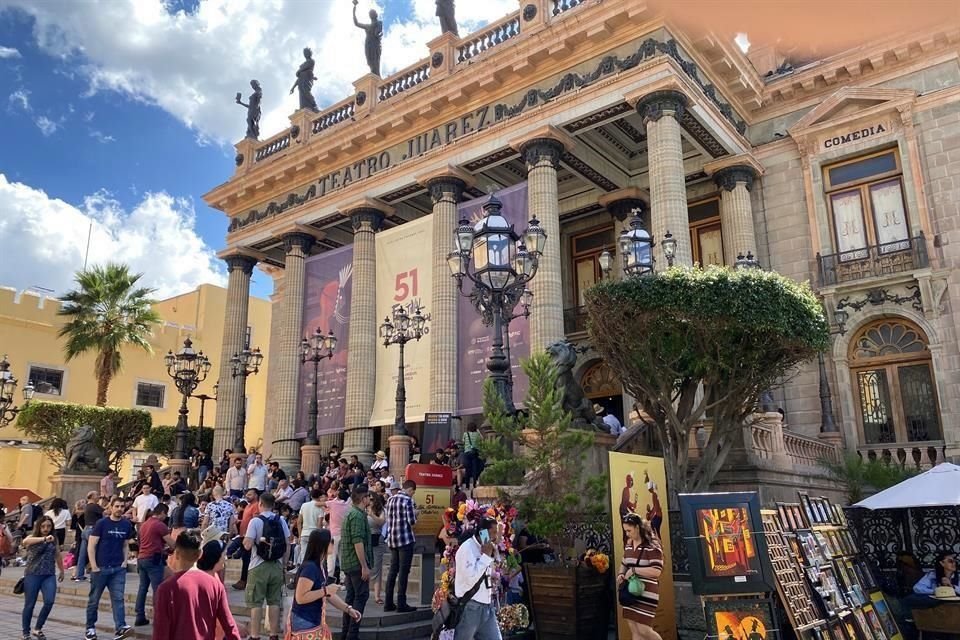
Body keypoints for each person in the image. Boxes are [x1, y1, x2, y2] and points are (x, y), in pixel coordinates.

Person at [153, 530, 242, 640]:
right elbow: (229, 625)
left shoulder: (166, 589)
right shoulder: (215, 585)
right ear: (200, 554)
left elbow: (161, 630)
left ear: (176, 554)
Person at [290, 529, 362, 638]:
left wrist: (348, 609)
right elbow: (300, 597)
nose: (333, 544)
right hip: (305, 621)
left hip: (313, 620)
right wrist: (326, 590)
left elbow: (328, 595)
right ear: (322, 544)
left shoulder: (320, 566)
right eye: (331, 541)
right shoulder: (310, 568)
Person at [86, 497, 136, 640]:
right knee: (94, 600)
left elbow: (125, 545)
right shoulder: (101, 523)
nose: (120, 509)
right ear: (111, 508)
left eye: (122, 506)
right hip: (101, 567)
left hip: (118, 568)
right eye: (117, 506)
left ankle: (120, 627)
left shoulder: (126, 525)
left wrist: (124, 562)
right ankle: (90, 628)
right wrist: (94, 565)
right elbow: (92, 545)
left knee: (118, 599)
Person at [243, 492, 290, 640]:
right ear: (273, 504)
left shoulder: (255, 521)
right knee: (274, 601)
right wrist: (284, 564)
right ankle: (273, 635)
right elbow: (287, 544)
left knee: (256, 603)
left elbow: (247, 545)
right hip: (276, 565)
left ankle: (255, 635)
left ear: (260, 504)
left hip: (258, 565)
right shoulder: (281, 520)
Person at [617, 513, 664, 640]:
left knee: (645, 630)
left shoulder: (652, 545)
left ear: (637, 527)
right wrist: (621, 574)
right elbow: (624, 562)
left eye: (629, 530)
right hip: (630, 592)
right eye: (625, 530)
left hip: (646, 592)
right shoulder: (629, 543)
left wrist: (634, 570)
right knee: (635, 630)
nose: (627, 533)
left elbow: (656, 571)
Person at [453, 515, 501, 640]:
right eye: (493, 532)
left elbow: (486, 570)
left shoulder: (486, 547)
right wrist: (485, 556)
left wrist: (493, 576)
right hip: (471, 605)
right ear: (483, 532)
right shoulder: (467, 549)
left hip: (486, 605)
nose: (495, 537)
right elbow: (470, 578)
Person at [20, 516, 64, 640]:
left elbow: (58, 555)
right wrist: (44, 539)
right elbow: (25, 542)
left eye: (48, 526)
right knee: (30, 604)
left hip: (48, 574)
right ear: (39, 526)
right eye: (43, 526)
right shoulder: (32, 537)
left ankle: (38, 628)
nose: (46, 528)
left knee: (49, 601)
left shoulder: (54, 539)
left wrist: (62, 570)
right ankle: (25, 632)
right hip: (32, 574)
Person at [340, 484, 373, 640]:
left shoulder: (351, 513)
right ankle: (352, 634)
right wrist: (364, 566)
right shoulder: (358, 515)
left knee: (351, 599)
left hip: (349, 562)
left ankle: (346, 633)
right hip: (355, 564)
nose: (370, 499)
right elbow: (358, 541)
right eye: (368, 496)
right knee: (360, 597)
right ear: (362, 498)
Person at [135, 503, 174, 627]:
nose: (165, 516)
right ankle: (159, 618)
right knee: (158, 589)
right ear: (162, 512)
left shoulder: (144, 524)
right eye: (165, 514)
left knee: (142, 588)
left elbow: (143, 542)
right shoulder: (159, 525)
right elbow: (172, 543)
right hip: (154, 559)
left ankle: (140, 616)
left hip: (142, 558)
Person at [384, 479, 418, 612]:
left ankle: (388, 602)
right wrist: (416, 514)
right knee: (404, 572)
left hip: (393, 539)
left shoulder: (390, 500)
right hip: (405, 540)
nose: (412, 495)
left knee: (393, 571)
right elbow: (411, 521)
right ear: (411, 490)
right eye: (412, 492)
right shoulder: (407, 501)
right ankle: (401, 603)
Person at [233, 488, 261, 591]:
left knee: (247, 559)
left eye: (250, 494)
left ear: (256, 495)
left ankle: (244, 581)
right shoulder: (248, 506)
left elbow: (255, 521)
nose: (247, 496)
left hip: (249, 537)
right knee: (245, 559)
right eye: (247, 494)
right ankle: (244, 580)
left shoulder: (256, 506)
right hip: (243, 536)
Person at [74, 491, 104, 582]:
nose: (98, 496)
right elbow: (106, 512)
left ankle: (79, 575)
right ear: (91, 497)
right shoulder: (95, 506)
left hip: (86, 529)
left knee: (82, 554)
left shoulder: (87, 506)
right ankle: (93, 575)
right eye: (96, 495)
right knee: (94, 553)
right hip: (93, 530)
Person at [326, 487, 352, 580]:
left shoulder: (333, 503)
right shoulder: (348, 506)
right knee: (342, 557)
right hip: (344, 534)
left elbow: (319, 503)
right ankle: (343, 579)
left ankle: (330, 578)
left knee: (331, 557)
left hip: (333, 534)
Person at [298, 488, 327, 565]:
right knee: (314, 556)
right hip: (314, 534)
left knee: (303, 556)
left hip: (304, 533)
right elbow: (319, 524)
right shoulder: (320, 508)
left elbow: (299, 522)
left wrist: (300, 535)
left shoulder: (304, 505)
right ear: (319, 497)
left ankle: (302, 573)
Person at [368, 492, 387, 606]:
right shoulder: (362, 509)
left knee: (376, 568)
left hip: (376, 538)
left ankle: (377, 595)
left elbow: (382, 521)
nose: (369, 501)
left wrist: (372, 515)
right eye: (368, 498)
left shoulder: (380, 510)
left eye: (371, 499)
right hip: (364, 539)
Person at [462, 423, 482, 489]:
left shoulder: (465, 434)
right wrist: (478, 432)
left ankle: (467, 485)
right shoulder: (477, 434)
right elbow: (482, 439)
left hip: (467, 453)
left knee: (468, 469)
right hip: (475, 453)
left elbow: (463, 442)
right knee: (474, 469)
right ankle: (474, 484)